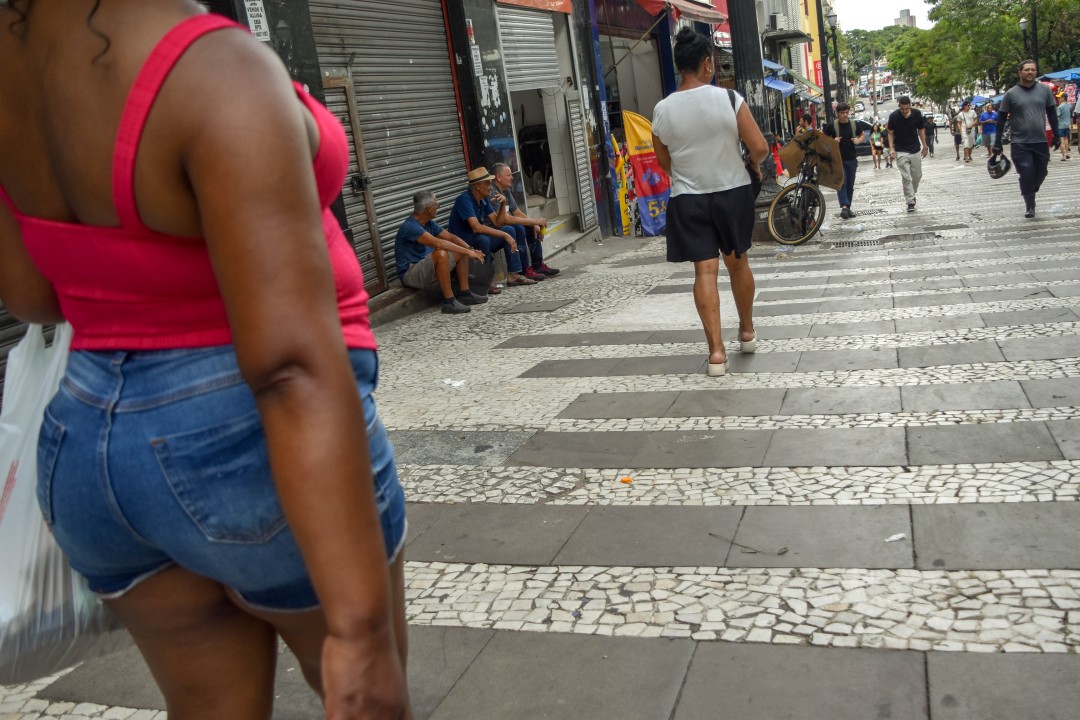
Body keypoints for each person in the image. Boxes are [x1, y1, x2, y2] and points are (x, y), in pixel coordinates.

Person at [0, 5, 410, 720]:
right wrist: (361, 629)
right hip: (251, 442)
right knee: (364, 697)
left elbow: (34, 296)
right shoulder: (212, 67)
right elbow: (289, 366)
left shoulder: (14, 60)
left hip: (88, 451)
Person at [650, 28, 767, 377]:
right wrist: (750, 164)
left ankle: (716, 353)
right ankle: (746, 331)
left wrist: (688, 173)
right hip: (731, 192)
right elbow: (759, 147)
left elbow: (663, 161)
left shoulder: (662, 109)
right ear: (706, 64)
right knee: (738, 263)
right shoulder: (729, 99)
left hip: (688, 198)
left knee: (704, 271)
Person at [395, 191, 487, 313]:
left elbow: (452, 238)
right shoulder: (410, 227)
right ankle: (449, 302)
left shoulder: (429, 223)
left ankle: (465, 294)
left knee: (460, 250)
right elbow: (439, 243)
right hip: (410, 274)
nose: (438, 207)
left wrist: (470, 250)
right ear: (429, 209)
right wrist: (468, 252)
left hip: (425, 266)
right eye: (436, 205)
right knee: (441, 253)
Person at [448, 167, 535, 288]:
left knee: (509, 229)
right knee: (484, 239)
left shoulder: (483, 200)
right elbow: (476, 227)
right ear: (478, 186)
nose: (490, 186)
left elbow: (497, 222)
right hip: (463, 242)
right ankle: (485, 280)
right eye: (487, 183)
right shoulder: (464, 200)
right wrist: (505, 235)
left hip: (476, 237)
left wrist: (503, 203)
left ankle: (513, 275)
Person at [994, 60, 1060, 218]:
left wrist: (1057, 136)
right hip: (1020, 142)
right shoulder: (1011, 94)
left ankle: (1031, 188)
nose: (1030, 72)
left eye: (1033, 70)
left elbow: (1052, 114)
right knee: (1026, 172)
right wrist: (997, 142)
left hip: (1040, 141)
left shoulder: (1044, 91)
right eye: (1026, 70)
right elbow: (1001, 119)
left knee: (1042, 172)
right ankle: (1030, 205)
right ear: (1020, 72)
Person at [490, 163, 559, 281]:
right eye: (509, 175)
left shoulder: (505, 191)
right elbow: (505, 219)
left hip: (505, 225)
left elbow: (516, 212)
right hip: (494, 227)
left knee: (530, 227)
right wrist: (534, 220)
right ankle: (524, 270)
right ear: (498, 177)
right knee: (519, 227)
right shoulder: (493, 193)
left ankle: (538, 265)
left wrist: (534, 223)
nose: (512, 177)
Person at [823, 102, 867, 219]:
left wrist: (858, 141)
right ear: (837, 114)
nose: (845, 115)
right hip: (838, 159)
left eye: (847, 112)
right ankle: (844, 206)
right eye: (842, 113)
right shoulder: (832, 126)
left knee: (850, 185)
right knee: (842, 182)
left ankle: (847, 208)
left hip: (852, 158)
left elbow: (862, 135)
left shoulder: (854, 124)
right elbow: (823, 141)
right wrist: (833, 141)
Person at [886, 96, 928, 212]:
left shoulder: (917, 114)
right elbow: (890, 133)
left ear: (910, 106)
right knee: (906, 177)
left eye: (906, 108)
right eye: (902, 109)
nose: (904, 111)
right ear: (899, 106)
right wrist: (891, 148)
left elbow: (920, 130)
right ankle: (910, 201)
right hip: (901, 150)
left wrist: (925, 146)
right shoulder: (894, 116)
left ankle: (912, 193)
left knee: (917, 176)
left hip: (915, 149)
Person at [1056, 93, 1072, 160]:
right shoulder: (1069, 105)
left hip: (1061, 125)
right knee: (1066, 139)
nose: (1058, 99)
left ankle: (1064, 156)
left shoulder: (1060, 107)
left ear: (1063, 98)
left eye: (1060, 97)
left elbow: (1057, 116)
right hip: (1067, 125)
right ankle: (1067, 153)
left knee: (1061, 141)